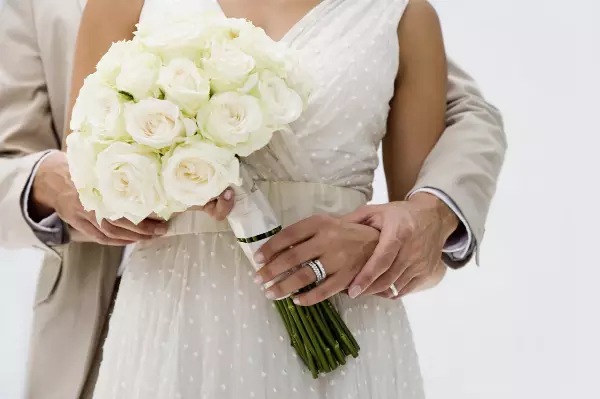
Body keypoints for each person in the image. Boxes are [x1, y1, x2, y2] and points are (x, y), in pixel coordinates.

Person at [0, 0, 506, 398]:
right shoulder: (121, 6)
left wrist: (380, 243)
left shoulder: (400, 16)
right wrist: (118, 186)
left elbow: (424, 245)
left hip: (350, 322)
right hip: (170, 322)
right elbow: (91, 174)